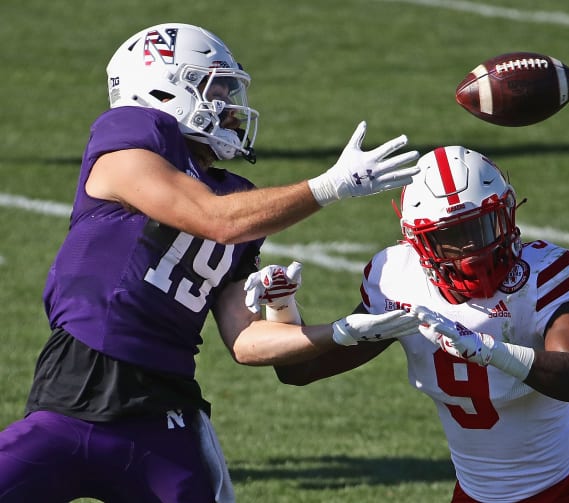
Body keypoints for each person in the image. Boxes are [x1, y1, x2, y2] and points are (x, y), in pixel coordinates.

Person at [0, 23, 422, 502]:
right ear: (162, 87)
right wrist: (328, 187)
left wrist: (341, 331)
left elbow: (244, 340)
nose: (227, 103)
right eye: (213, 88)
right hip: (70, 397)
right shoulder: (128, 139)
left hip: (162, 420)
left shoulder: (238, 197)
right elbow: (213, 220)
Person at [268, 146, 569, 502]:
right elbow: (299, 372)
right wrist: (281, 308)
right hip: (475, 495)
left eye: (482, 226)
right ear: (418, 242)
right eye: (451, 238)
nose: (472, 250)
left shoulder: (538, 276)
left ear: (506, 214)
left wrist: (493, 352)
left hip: (567, 487)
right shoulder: (398, 281)